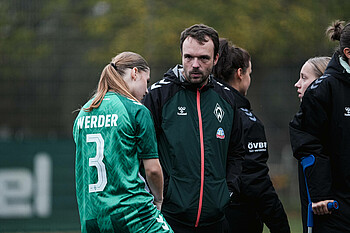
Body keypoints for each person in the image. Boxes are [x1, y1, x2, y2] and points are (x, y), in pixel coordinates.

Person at [143, 24, 245, 232]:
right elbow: (140, 153)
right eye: (188, 57)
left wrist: (226, 191)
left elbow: (237, 152)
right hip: (169, 218)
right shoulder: (158, 96)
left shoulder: (227, 99)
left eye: (203, 58)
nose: (195, 64)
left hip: (215, 218)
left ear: (216, 59)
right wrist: (165, 194)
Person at [73, 52, 173, 233]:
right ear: (135, 73)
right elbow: (152, 169)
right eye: (147, 81)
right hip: (132, 213)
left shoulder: (84, 112)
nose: (147, 89)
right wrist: (158, 199)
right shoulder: (135, 110)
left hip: (92, 218)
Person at [213, 38, 290, 233]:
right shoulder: (245, 121)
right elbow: (256, 182)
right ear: (240, 73)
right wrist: (280, 225)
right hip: (238, 219)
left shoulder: (203, 113)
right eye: (250, 73)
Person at [289, 20, 350, 233]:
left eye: (303, 78)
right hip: (333, 213)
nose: (297, 84)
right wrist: (321, 195)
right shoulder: (324, 92)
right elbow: (308, 146)